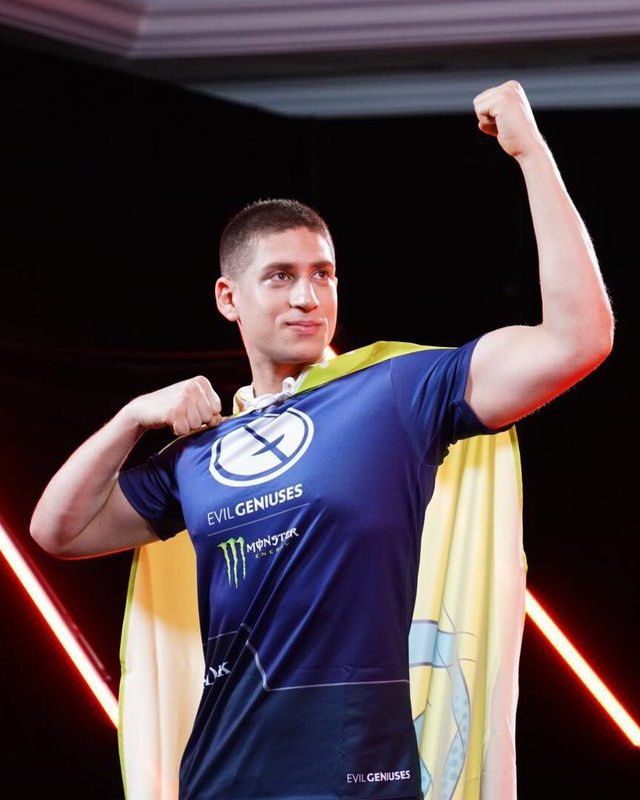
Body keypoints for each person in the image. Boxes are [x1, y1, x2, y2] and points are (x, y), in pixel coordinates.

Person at [30, 80, 614, 799]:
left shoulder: (394, 394)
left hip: (359, 780)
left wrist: (530, 152)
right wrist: (130, 419)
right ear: (229, 297)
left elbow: (578, 339)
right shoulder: (202, 453)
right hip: (221, 781)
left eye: (323, 275)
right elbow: (58, 530)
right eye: (280, 277)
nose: (308, 297)